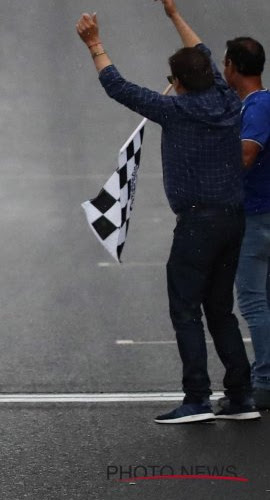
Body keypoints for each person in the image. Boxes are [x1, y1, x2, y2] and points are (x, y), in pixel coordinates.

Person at [76, 0, 260, 423]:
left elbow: (118, 86)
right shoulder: (226, 99)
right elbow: (206, 57)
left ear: (177, 82)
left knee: (184, 309)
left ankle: (197, 398)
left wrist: (94, 42)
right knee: (220, 309)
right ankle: (241, 396)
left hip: (197, 223)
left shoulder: (175, 110)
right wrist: (175, 16)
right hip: (234, 219)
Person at [223, 37, 270, 410]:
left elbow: (247, 153)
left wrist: (215, 179)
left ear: (232, 67)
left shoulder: (258, 105)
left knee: (253, 302)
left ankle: (265, 381)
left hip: (256, 214)